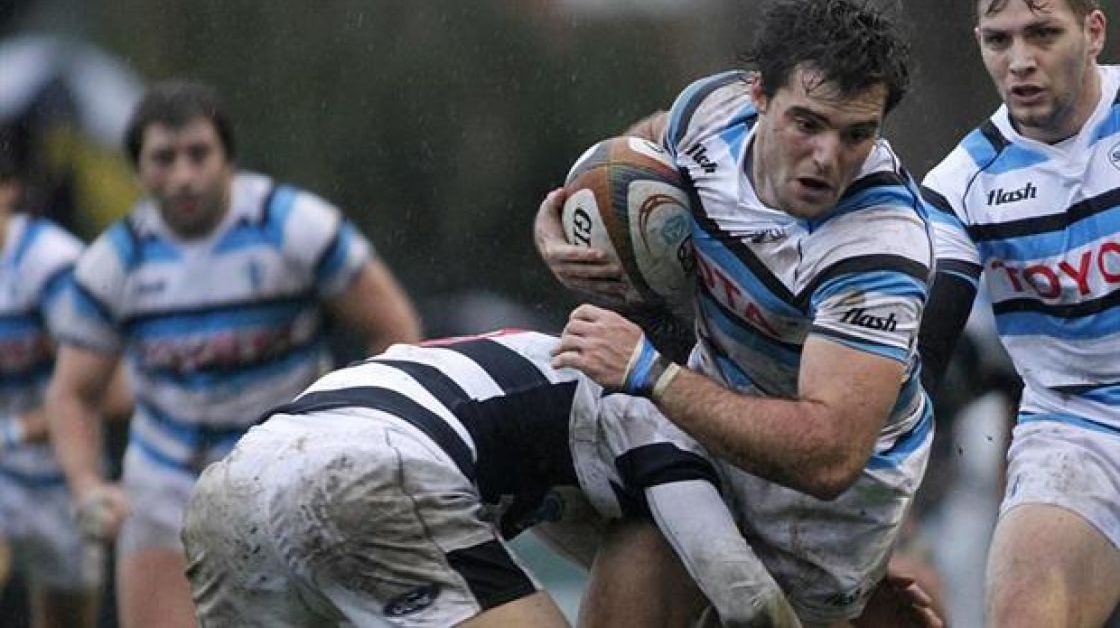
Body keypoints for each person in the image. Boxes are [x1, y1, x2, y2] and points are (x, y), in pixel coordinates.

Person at [535, 0, 937, 624]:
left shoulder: (877, 248)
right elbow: (638, 151)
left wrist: (653, 373)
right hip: (703, 435)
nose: (828, 157)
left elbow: (829, 456)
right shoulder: (709, 112)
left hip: (825, 516)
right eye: (807, 123)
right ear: (758, 95)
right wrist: (570, 218)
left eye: (857, 133)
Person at [45, 80, 422, 628]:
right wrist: (85, 486)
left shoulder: (294, 225)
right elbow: (72, 392)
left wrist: (358, 438)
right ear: (138, 171)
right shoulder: (114, 261)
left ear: (229, 156)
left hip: (289, 468)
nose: (183, 176)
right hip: (167, 478)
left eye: (198, 153)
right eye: (163, 159)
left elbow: (395, 330)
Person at [181, 329, 809, 627]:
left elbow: (618, 555)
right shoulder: (655, 419)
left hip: (232, 489)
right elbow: (747, 598)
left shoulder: (551, 383)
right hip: (361, 477)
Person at [918, 0, 1120, 625]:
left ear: (1093, 31)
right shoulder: (960, 184)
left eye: (1042, 33)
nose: (1020, 62)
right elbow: (931, 341)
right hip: (1075, 422)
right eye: (998, 40)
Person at [0, 148, 131, 627]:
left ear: (8, 190)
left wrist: (13, 432)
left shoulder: (51, 265)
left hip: (64, 478)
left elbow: (116, 393)